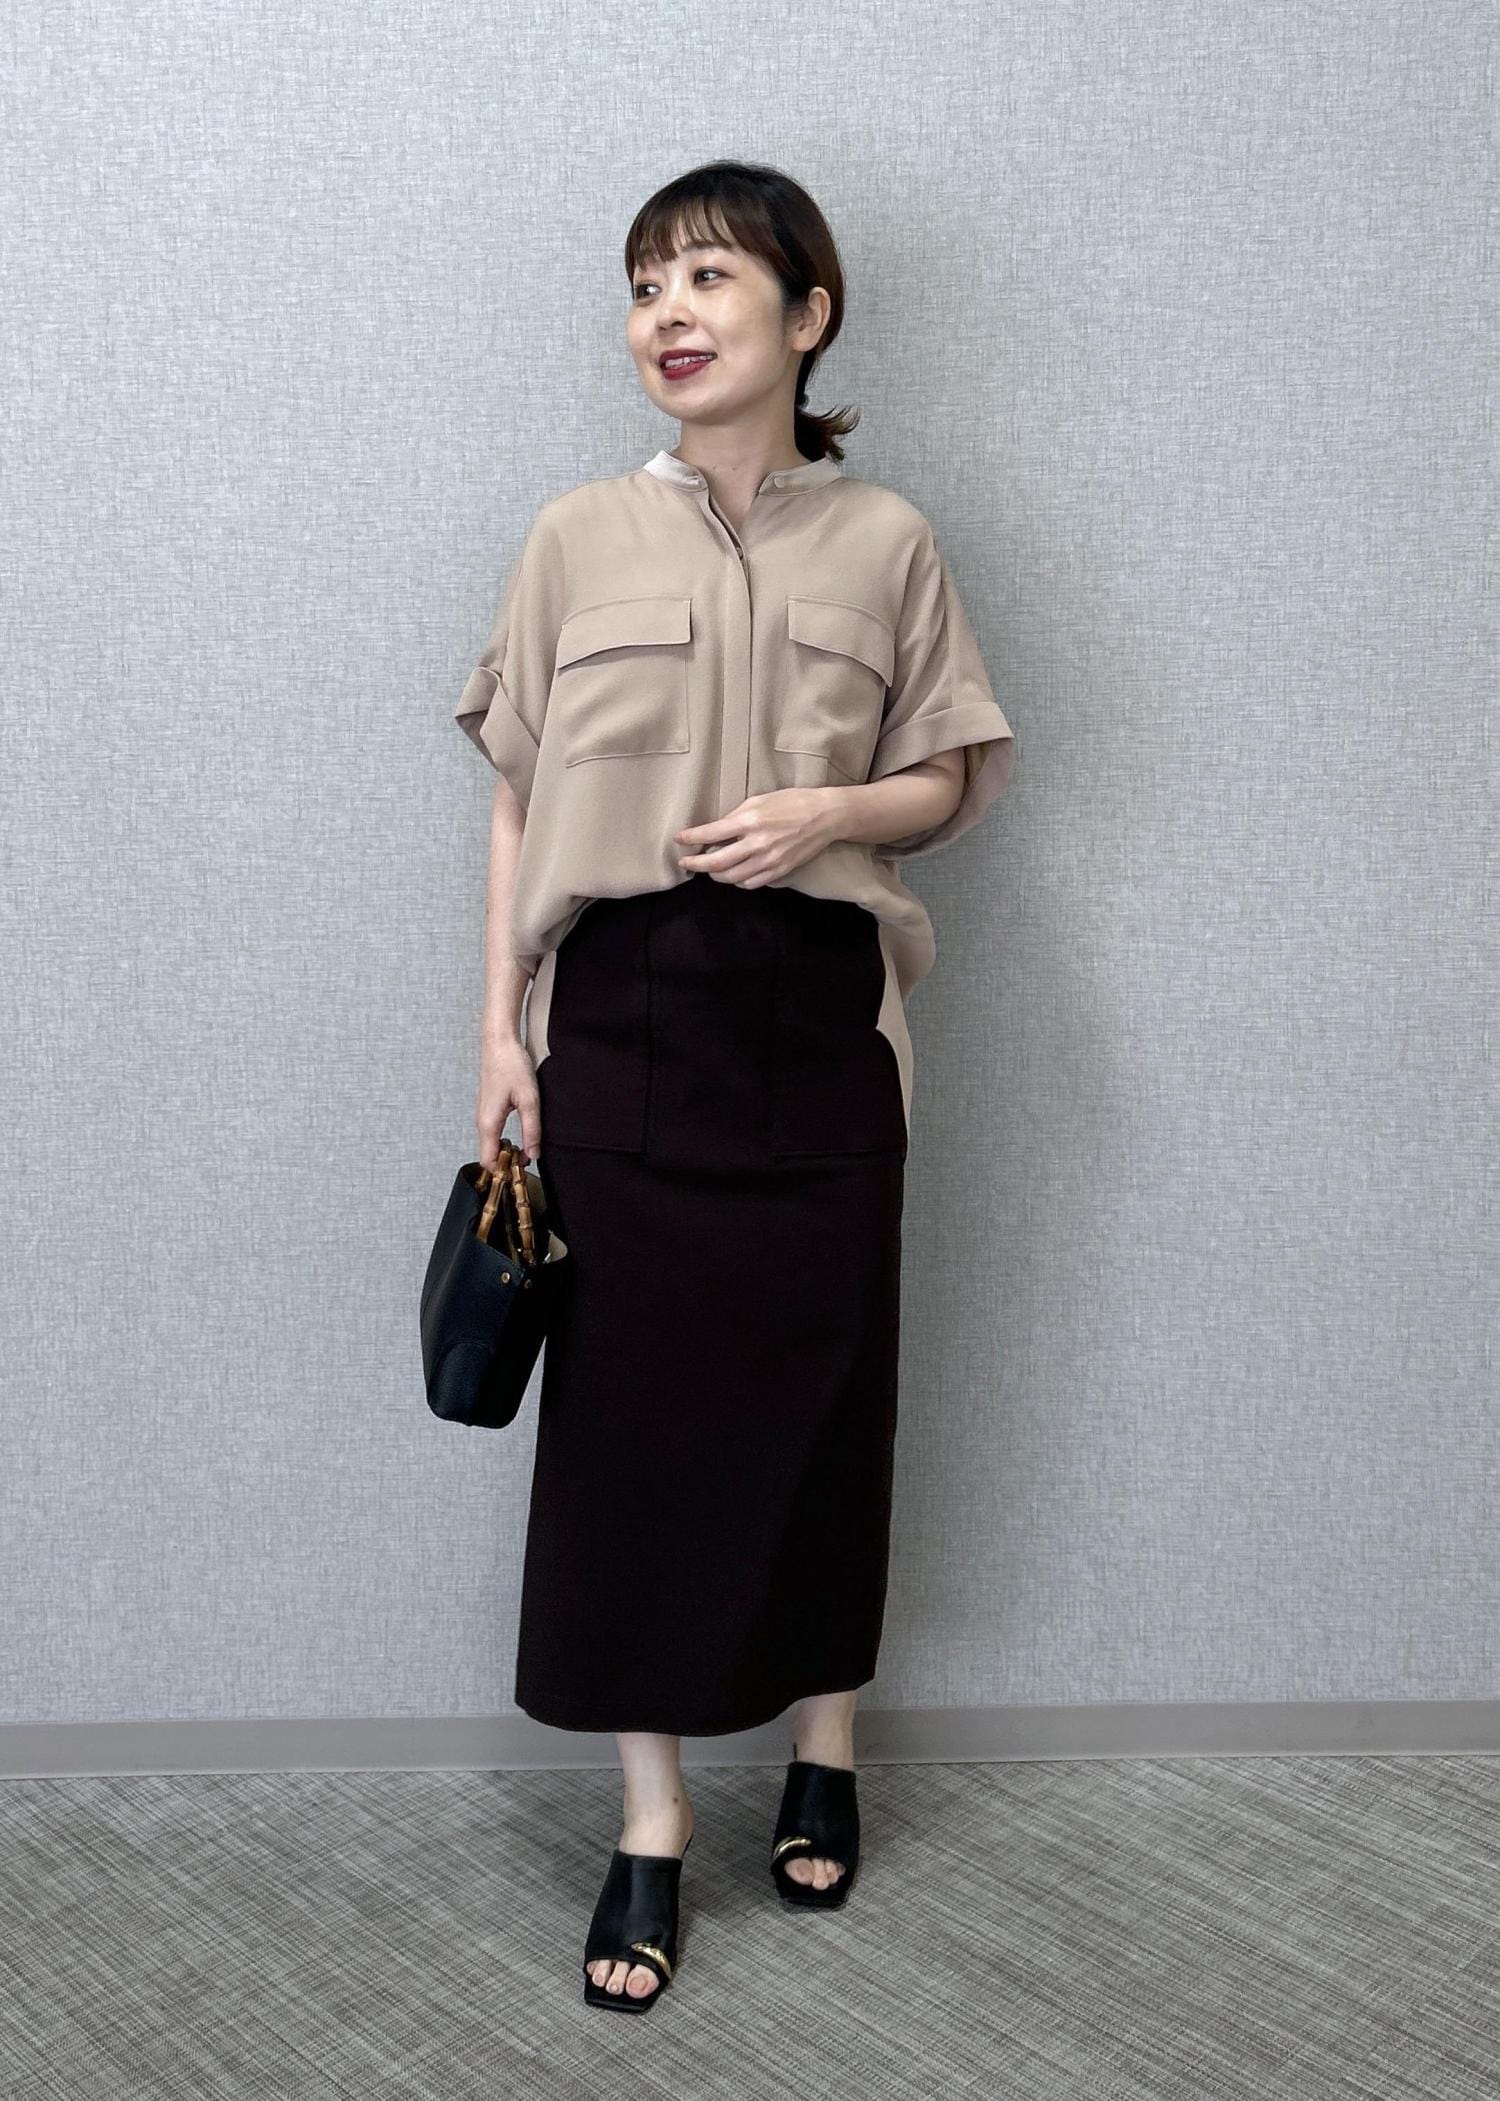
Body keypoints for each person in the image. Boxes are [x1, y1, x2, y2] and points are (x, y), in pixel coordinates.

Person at [452, 159, 1016, 2013]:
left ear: (809, 312)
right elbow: (518, 798)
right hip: (623, 1016)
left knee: (829, 1398)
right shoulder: (571, 538)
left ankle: (826, 1740)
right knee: (627, 1430)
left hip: (819, 1019)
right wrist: (498, 1030)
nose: (669, 316)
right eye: (643, 287)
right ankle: (653, 1820)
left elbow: (949, 776)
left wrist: (824, 812)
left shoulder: (891, 542)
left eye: (706, 277)